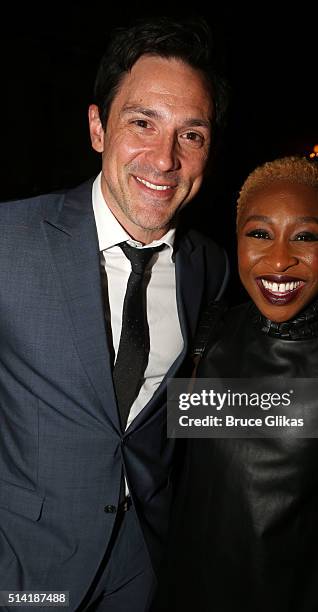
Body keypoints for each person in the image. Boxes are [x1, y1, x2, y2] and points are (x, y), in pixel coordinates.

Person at [0, 15, 229, 612]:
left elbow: (193, 408)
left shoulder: (212, 267)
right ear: (98, 128)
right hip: (23, 569)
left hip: (143, 567)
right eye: (142, 123)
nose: (164, 159)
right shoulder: (9, 239)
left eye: (192, 134)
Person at [158, 156, 318, 611]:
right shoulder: (205, 335)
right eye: (258, 233)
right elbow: (186, 484)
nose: (279, 259)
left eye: (305, 236)